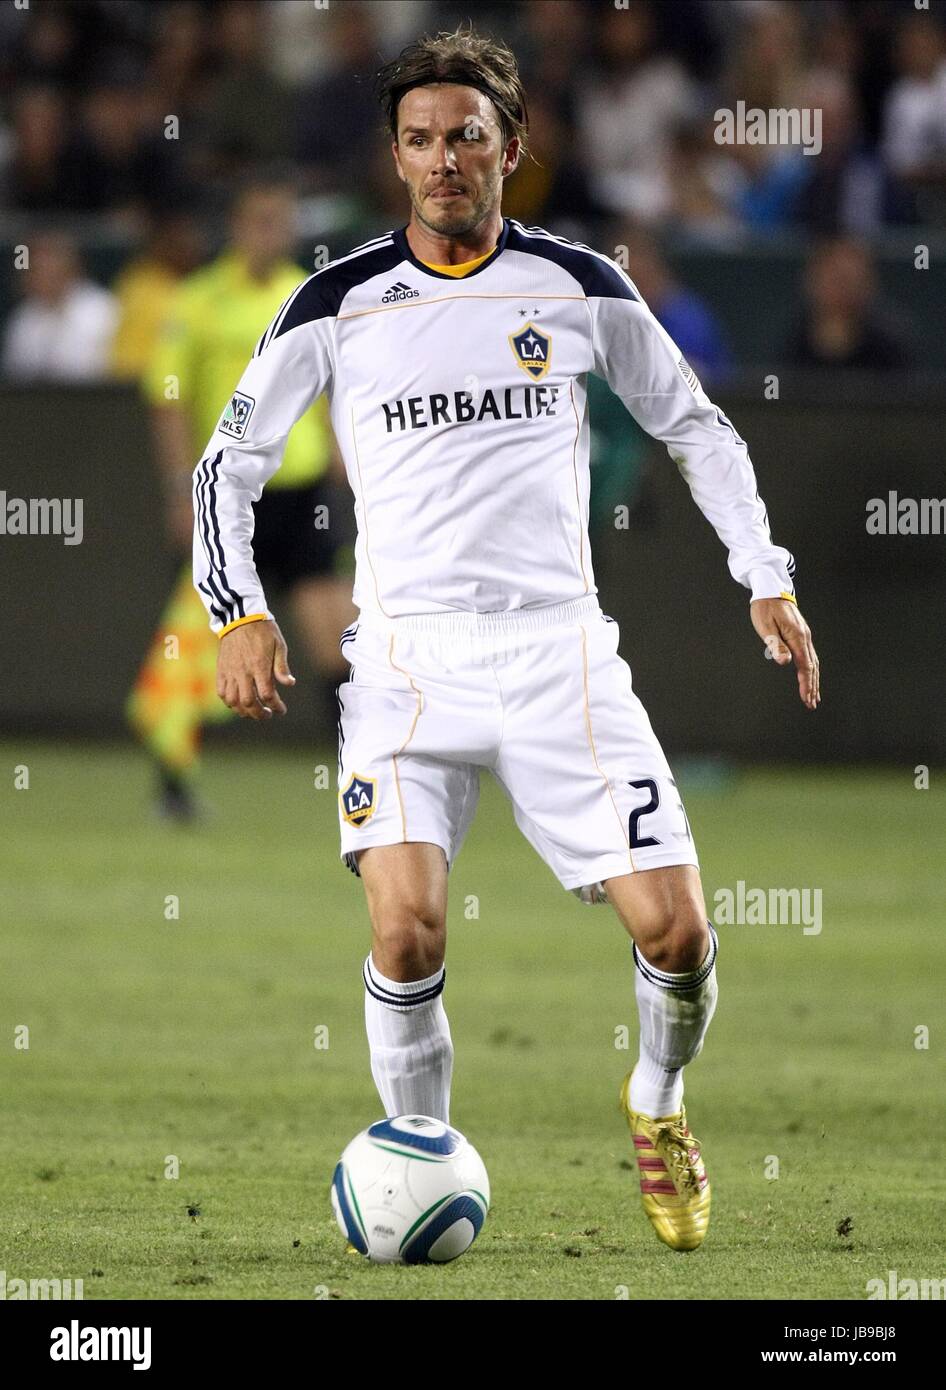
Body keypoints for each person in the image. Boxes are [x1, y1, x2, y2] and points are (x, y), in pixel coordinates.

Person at [192, 25, 819, 1253]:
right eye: (419, 140)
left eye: (464, 138)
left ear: (511, 148)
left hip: (559, 657)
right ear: (394, 158)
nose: (441, 160)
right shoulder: (335, 303)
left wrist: (765, 575)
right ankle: (415, 1160)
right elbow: (228, 461)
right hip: (407, 663)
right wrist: (241, 611)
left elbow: (695, 428)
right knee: (404, 925)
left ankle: (658, 1099)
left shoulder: (579, 287)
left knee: (678, 933)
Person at [140, 175, 356, 818]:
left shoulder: (304, 293)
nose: (273, 231)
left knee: (337, 634)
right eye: (261, 219)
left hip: (302, 492)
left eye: (282, 220)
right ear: (236, 225)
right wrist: (183, 490)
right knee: (198, 638)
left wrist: (341, 446)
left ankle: (364, 777)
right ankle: (172, 783)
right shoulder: (198, 302)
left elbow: (332, 385)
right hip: (229, 497)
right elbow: (169, 401)